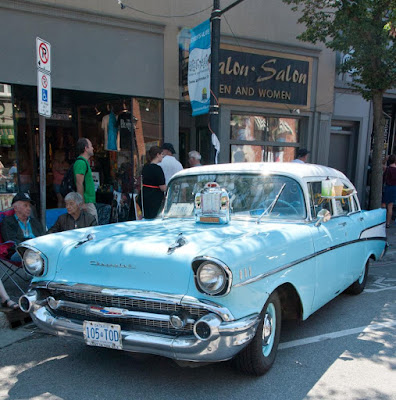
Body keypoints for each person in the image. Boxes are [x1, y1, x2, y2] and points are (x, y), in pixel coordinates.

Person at [1, 192, 45, 261]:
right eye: (25, 205)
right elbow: (11, 242)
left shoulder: (34, 222)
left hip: (37, 249)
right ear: (15, 208)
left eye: (29, 206)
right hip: (19, 251)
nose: (29, 208)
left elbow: (43, 236)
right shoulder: (8, 222)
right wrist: (29, 247)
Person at [73, 138, 98, 222]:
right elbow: (79, 183)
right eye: (91, 146)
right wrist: (82, 203)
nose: (93, 148)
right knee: (93, 226)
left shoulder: (84, 162)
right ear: (85, 148)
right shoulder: (81, 163)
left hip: (88, 201)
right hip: (86, 202)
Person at [141, 146, 166, 219]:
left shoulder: (145, 167)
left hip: (145, 195)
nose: (162, 156)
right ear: (157, 155)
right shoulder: (157, 169)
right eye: (161, 154)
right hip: (155, 198)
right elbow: (163, 187)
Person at [381, 154, 396, 228]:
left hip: (387, 187)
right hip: (394, 188)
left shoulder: (387, 169)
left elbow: (381, 165)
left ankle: (382, 221)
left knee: (383, 204)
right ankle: (388, 223)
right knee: (390, 206)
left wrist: (385, 159)